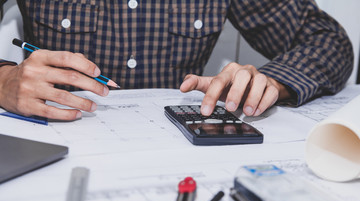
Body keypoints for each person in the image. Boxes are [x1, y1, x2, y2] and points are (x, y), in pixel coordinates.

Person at [0, 0, 353, 121]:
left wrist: (273, 81)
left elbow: (330, 42)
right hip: (55, 134)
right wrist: (3, 80)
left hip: (182, 157)